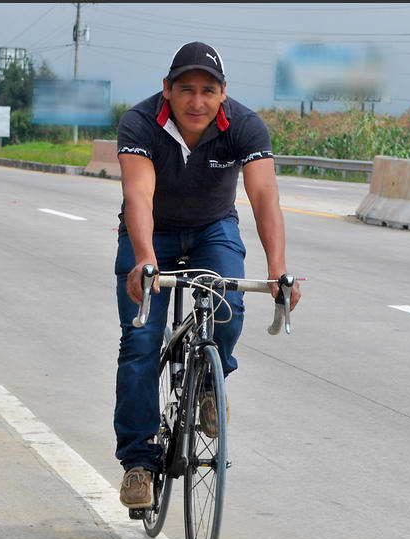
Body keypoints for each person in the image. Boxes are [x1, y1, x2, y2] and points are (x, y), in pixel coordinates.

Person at [113, 41, 302, 509]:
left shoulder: (244, 125)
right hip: (150, 234)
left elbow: (263, 197)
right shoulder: (140, 123)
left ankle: (209, 386)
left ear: (223, 94)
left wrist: (278, 272)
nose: (197, 101)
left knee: (229, 308)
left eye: (208, 90)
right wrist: (142, 258)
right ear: (167, 90)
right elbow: (138, 192)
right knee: (139, 341)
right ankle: (139, 464)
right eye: (186, 90)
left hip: (211, 230)